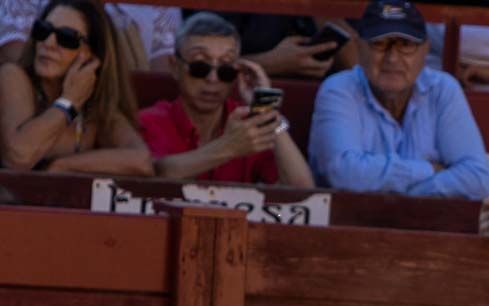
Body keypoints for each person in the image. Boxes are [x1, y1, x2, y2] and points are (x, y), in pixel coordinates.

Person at [308, 0, 489, 198]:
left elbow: (477, 180)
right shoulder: (339, 90)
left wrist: (404, 195)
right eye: (380, 44)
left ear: (425, 50)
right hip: (347, 223)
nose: (392, 58)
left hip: (428, 225)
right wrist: (430, 170)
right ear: (359, 48)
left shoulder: (442, 89)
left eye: (406, 44)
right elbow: (343, 174)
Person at [138, 13, 313, 186]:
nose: (213, 79)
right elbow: (156, 172)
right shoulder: (150, 121)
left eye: (225, 69)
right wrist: (229, 147)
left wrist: (267, 107)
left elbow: (302, 188)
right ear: (175, 67)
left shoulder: (248, 125)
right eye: (200, 66)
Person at [0, 0, 152, 175]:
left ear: (92, 54)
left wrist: (63, 165)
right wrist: (68, 103)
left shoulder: (94, 105)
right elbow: (19, 157)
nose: (48, 43)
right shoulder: (13, 76)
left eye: (66, 38)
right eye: (43, 30)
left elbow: (142, 161)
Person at [0, 0, 182, 70]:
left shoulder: (158, 8)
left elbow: (163, 78)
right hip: (42, 110)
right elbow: (14, 61)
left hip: (125, 111)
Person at [221, 11, 356, 81]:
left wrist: (322, 10)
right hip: (239, 110)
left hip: (320, 110)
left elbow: (364, 72)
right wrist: (269, 63)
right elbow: (204, 64)